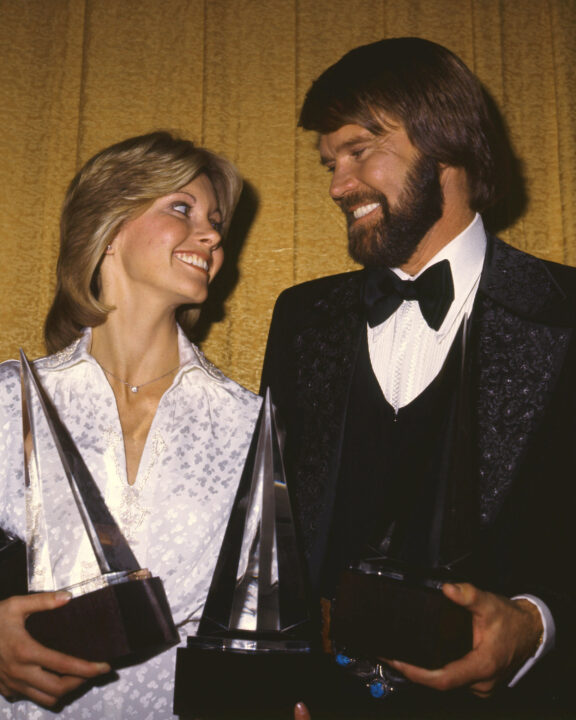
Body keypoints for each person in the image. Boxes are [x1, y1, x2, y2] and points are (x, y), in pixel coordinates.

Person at [260, 38, 576, 710]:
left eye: (359, 151)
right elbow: (272, 533)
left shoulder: (568, 314)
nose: (338, 185)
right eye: (330, 162)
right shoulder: (300, 318)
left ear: (448, 141)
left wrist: (535, 626)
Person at [0, 131, 262, 718]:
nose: (214, 235)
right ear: (111, 226)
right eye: (181, 209)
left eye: (216, 221)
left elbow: (256, 620)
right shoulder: (6, 401)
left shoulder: (250, 425)